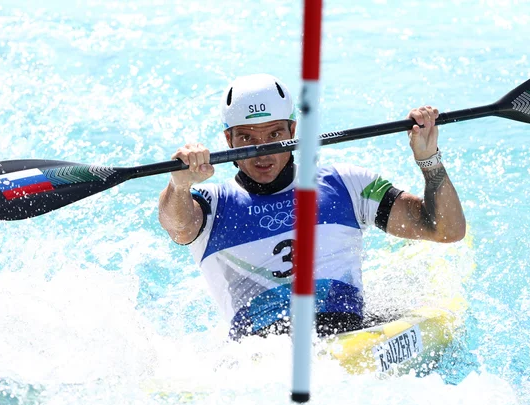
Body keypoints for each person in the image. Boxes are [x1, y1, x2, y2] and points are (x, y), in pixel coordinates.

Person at [158, 73, 465, 340]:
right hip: (259, 358)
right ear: (229, 139)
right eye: (247, 138)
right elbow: (178, 225)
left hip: (349, 338)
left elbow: (445, 229)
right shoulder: (210, 206)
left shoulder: (347, 184)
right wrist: (179, 184)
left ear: (293, 131)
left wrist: (429, 159)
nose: (262, 152)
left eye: (275, 134)